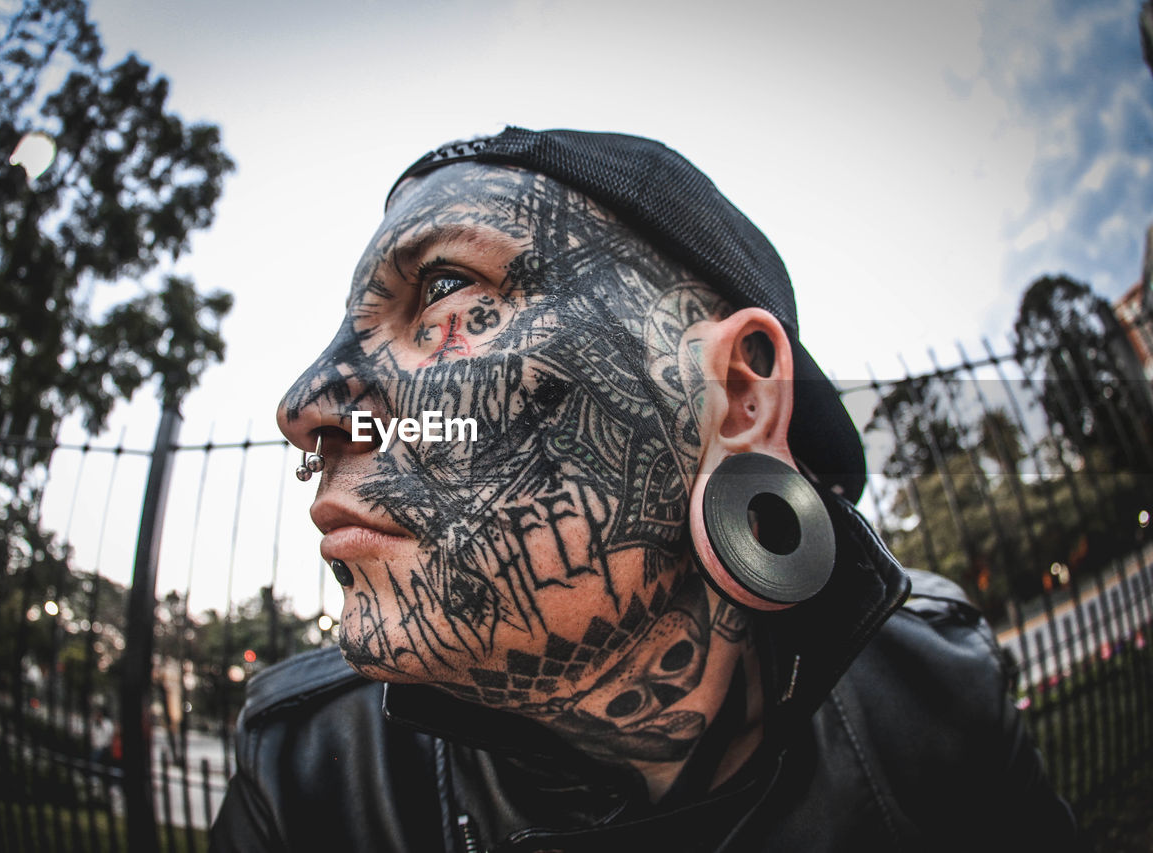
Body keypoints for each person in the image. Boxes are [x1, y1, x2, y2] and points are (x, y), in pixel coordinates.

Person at [211, 128, 1075, 851]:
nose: (305, 407)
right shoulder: (304, 774)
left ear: (737, 398)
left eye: (443, 292)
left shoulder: (932, 692)